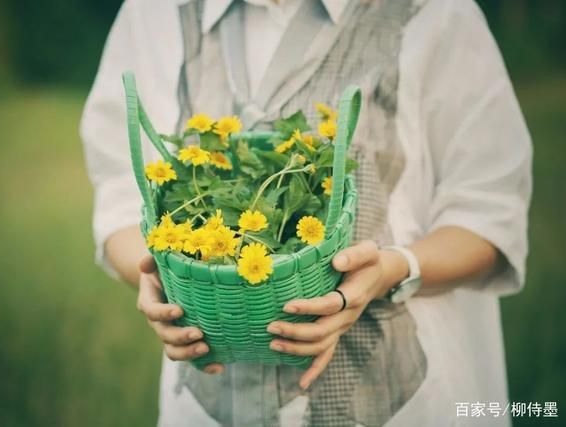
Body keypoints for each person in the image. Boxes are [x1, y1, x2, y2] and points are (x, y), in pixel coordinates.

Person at [81, 0, 532, 425]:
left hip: (396, 398)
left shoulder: (432, 12)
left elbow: (489, 213)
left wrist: (392, 269)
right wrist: (157, 274)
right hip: (209, 406)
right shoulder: (154, 13)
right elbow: (122, 196)